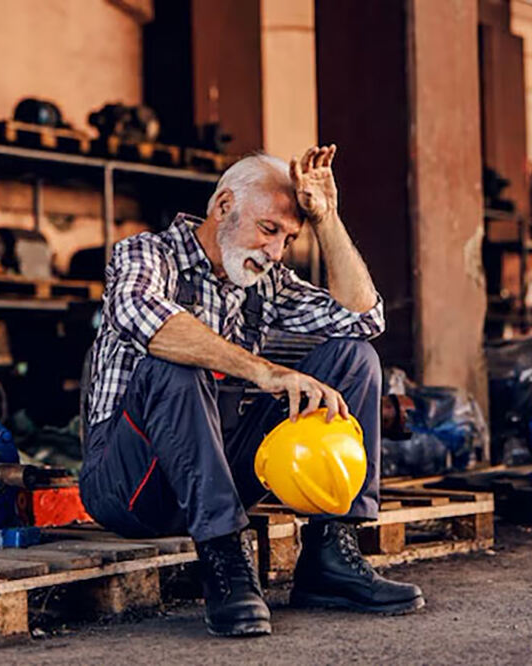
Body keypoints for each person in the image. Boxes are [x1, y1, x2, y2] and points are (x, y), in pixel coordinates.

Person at [80, 146, 424, 637]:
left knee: (353, 357)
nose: (276, 252)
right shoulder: (147, 252)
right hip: (132, 482)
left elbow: (364, 317)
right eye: (269, 230)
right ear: (223, 207)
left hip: (217, 470)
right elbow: (145, 319)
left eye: (288, 237)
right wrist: (266, 372)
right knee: (175, 365)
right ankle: (227, 562)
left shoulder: (266, 281)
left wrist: (326, 219)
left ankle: (331, 554)